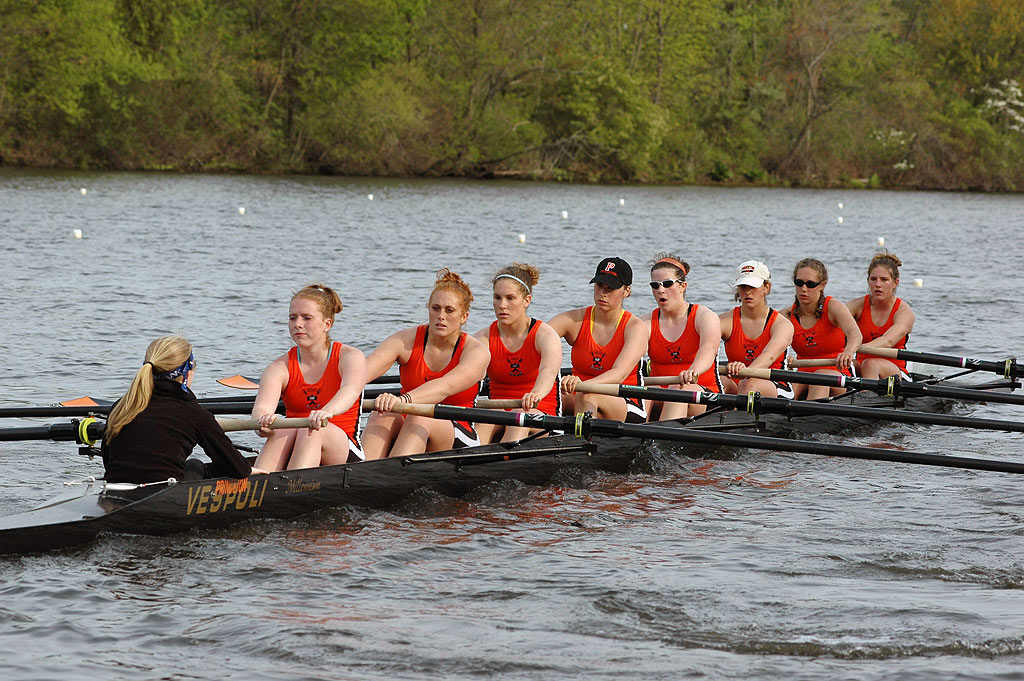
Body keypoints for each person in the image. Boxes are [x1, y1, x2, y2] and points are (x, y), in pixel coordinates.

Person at [362, 269, 489, 458]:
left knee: (420, 416)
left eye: (449, 310)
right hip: (411, 418)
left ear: (464, 317)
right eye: (435, 308)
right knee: (381, 414)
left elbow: (444, 387)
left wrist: (401, 400)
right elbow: (361, 373)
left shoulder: (476, 352)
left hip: (458, 430)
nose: (441, 316)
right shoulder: (404, 340)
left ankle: (387, 478)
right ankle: (360, 476)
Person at [102, 335, 262, 484]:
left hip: (114, 488)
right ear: (186, 372)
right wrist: (249, 469)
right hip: (163, 498)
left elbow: (108, 461)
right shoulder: (195, 414)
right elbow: (239, 469)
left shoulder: (122, 406)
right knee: (194, 465)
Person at [251, 284, 367, 471]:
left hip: (343, 448)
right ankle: (257, 487)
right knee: (282, 428)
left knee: (311, 429)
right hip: (297, 439)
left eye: (307, 318)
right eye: (292, 317)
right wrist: (261, 422)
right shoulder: (279, 367)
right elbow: (262, 406)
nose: (297, 324)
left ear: (327, 324)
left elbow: (351, 390)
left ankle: (293, 489)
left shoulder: (350, 357)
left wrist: (327, 411)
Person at [549, 257, 650, 421]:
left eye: (611, 288)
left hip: (625, 401)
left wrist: (581, 385)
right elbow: (536, 339)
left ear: (627, 291)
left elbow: (618, 374)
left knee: (588, 395)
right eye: (599, 286)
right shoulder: (575, 320)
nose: (603, 293)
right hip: (581, 392)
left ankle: (582, 442)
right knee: (545, 394)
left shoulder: (635, 328)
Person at [473, 263, 562, 443]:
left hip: (541, 413)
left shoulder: (544, 335)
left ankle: (504, 464)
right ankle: (467, 458)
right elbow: (465, 374)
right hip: (500, 409)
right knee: (487, 416)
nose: (502, 305)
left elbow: (549, 371)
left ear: (526, 300)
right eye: (497, 297)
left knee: (519, 415)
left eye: (510, 298)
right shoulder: (482, 339)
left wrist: (535, 394)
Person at [640, 253, 721, 420]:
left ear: (683, 286)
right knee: (642, 391)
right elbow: (630, 354)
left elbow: (710, 347)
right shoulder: (644, 322)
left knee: (678, 387)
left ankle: (662, 445)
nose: (661, 290)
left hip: (702, 394)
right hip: (660, 394)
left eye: (667, 284)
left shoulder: (704, 316)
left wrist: (694, 371)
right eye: (655, 285)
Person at [783, 258, 862, 400]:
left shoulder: (833, 307)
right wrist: (781, 357)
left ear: (822, 285)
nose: (804, 289)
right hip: (802, 372)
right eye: (799, 283)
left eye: (810, 284)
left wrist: (848, 352)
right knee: (786, 389)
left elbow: (855, 335)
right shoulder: (786, 316)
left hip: (837, 373)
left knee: (819, 380)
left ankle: (811, 418)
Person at [720, 260, 795, 398]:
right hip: (738, 381)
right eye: (743, 286)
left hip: (774, 383)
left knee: (749, 385)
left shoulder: (781, 325)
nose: (748, 291)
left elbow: (769, 356)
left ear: (767, 287)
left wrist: (745, 372)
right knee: (720, 381)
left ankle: (737, 415)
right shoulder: (725, 321)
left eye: (753, 286)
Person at [847, 252, 916, 379]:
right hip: (862, 367)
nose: (878, 284)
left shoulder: (904, 312)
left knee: (870, 364)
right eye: (873, 279)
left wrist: (852, 349)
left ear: (895, 282)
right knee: (845, 363)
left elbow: (888, 341)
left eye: (884, 280)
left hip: (896, 372)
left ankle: (866, 396)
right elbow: (831, 321)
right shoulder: (856, 305)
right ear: (868, 281)